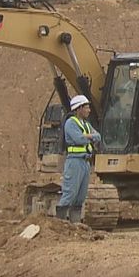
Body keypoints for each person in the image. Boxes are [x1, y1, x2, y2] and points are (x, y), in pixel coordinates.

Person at [57, 95, 101, 224]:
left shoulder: (86, 124)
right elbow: (79, 139)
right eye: (86, 107)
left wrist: (88, 136)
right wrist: (90, 136)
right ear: (79, 108)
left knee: (80, 197)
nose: (89, 110)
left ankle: (75, 225)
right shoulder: (71, 123)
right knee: (70, 193)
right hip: (74, 162)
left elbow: (98, 136)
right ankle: (60, 224)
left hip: (85, 162)